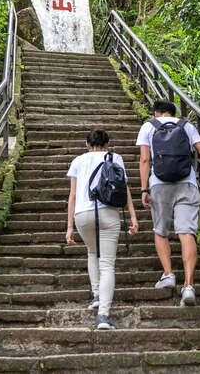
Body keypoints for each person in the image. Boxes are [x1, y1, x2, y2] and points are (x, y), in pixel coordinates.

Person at [137, 100, 200, 306]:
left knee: (160, 230)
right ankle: (189, 286)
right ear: (172, 112)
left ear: (156, 113)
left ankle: (168, 274)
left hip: (159, 184)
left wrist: (143, 189)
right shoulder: (187, 125)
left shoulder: (149, 126)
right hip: (187, 183)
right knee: (186, 232)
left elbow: (144, 160)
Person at [65, 129, 139, 330]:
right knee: (107, 264)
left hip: (82, 215)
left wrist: (69, 226)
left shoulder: (78, 161)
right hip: (109, 213)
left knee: (91, 252)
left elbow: (72, 195)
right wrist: (133, 216)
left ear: (86, 144)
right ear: (108, 144)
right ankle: (103, 316)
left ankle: (97, 294)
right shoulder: (116, 158)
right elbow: (124, 189)